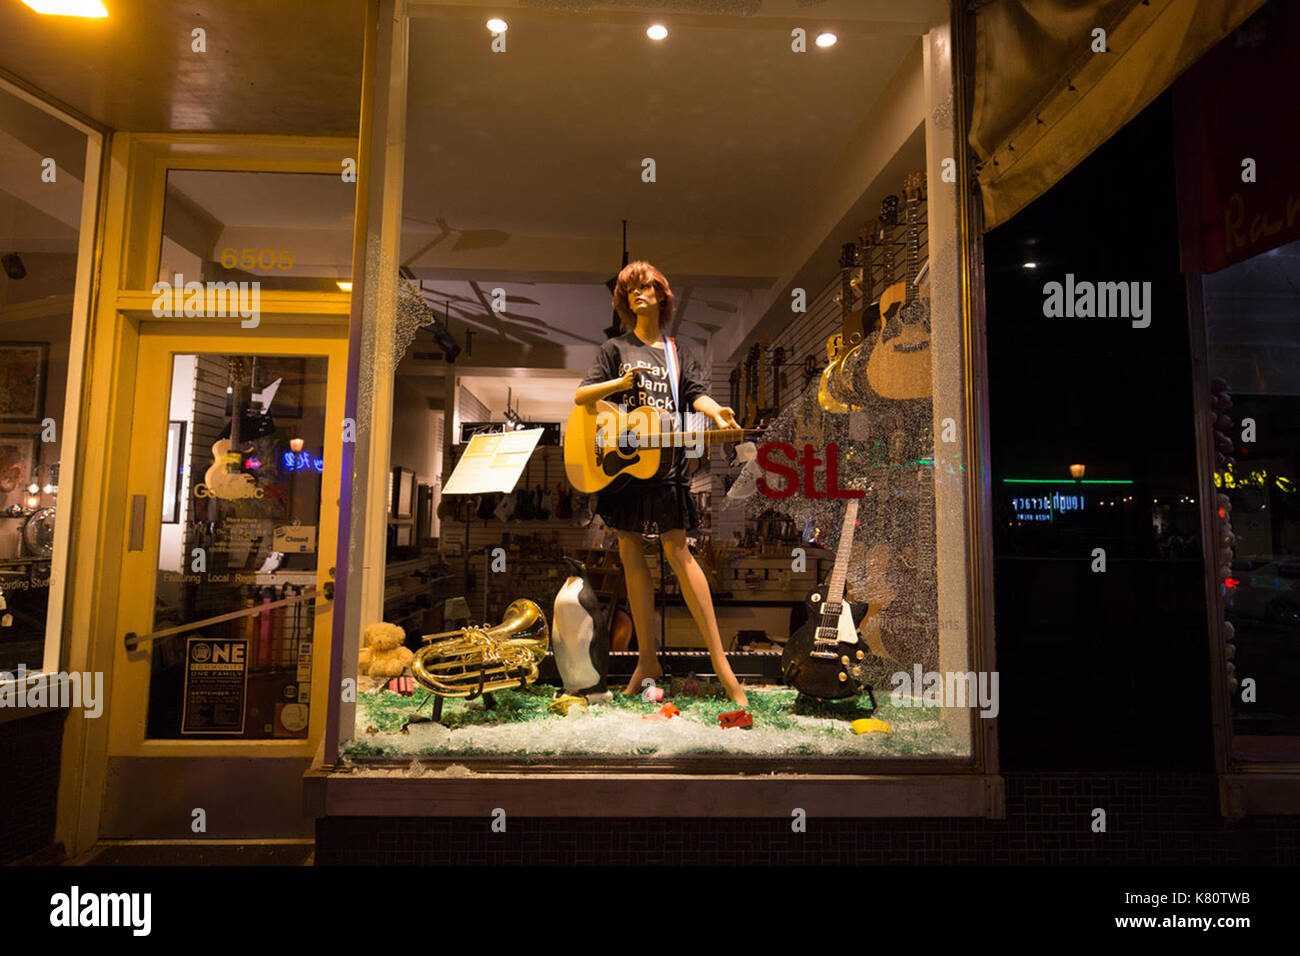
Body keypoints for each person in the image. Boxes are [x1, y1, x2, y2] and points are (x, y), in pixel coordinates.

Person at [574, 261, 748, 705]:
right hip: (624, 465)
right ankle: (646, 659)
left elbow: (695, 392)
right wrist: (620, 381)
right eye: (629, 289)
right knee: (630, 551)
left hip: (667, 463)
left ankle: (722, 665)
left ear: (662, 294)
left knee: (677, 549)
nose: (637, 293)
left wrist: (716, 413)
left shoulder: (678, 352)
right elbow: (583, 396)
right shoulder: (614, 348)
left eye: (645, 286)